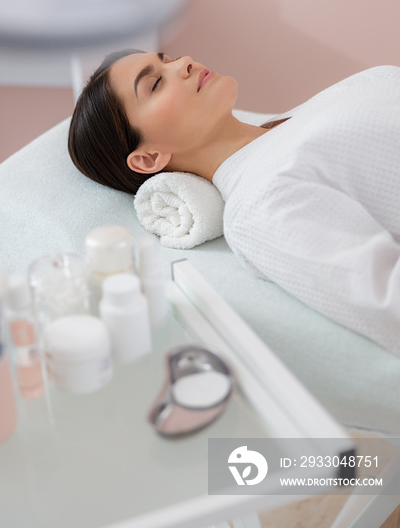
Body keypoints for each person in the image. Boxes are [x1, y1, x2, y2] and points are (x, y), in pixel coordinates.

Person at [69, 50, 400, 357]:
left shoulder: (295, 122)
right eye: (155, 83)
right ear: (149, 158)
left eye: (168, 59)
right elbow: (386, 301)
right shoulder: (260, 204)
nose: (183, 62)